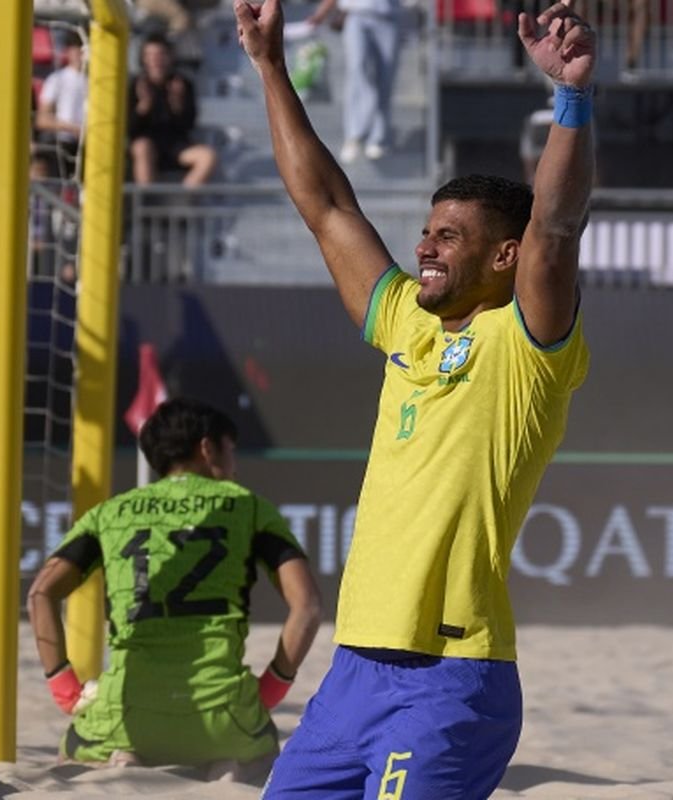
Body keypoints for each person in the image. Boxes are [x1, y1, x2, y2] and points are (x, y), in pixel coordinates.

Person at [234, 0, 592, 793]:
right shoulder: (405, 322)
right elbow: (325, 206)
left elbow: (556, 230)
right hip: (353, 673)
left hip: (450, 675)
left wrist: (571, 98)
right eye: (427, 231)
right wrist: (269, 65)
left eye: (448, 235)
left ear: (504, 256)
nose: (424, 247)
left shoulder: (526, 342)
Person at [27, 399, 323, 779]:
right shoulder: (248, 507)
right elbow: (308, 607)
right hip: (223, 718)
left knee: (75, 747)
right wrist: (272, 688)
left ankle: (124, 758)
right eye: (230, 450)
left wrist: (65, 689)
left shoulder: (109, 511)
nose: (234, 464)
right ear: (206, 448)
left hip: (125, 715)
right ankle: (225, 760)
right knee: (263, 744)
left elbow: (40, 594)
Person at [306, 0, 402, 162]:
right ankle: (354, 135)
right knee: (357, 70)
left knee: (385, 79)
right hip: (356, 16)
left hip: (387, 17)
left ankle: (377, 138)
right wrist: (321, 13)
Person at [129, 34, 218, 187]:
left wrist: (177, 104)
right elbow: (130, 129)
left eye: (160, 54)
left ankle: (182, 202)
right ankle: (145, 202)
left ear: (170, 57)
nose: (156, 60)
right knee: (142, 147)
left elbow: (188, 125)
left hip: (175, 146)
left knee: (207, 157)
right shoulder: (135, 85)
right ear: (143, 58)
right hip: (147, 146)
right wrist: (144, 105)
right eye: (150, 55)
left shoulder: (182, 84)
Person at [36, 42, 88, 179]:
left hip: (89, 144)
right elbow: (42, 120)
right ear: (70, 52)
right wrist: (74, 129)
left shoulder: (99, 83)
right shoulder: (57, 79)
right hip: (61, 143)